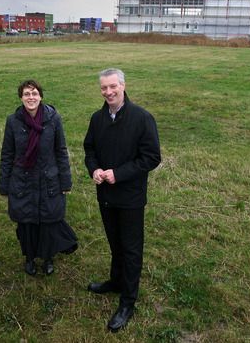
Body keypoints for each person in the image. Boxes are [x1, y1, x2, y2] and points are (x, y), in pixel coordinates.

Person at [83, 68, 161, 332]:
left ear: (123, 86)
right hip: (105, 195)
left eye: (113, 86)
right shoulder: (97, 118)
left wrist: (119, 174)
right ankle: (115, 282)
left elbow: (151, 157)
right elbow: (89, 148)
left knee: (130, 249)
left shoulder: (142, 118)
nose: (108, 92)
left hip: (130, 197)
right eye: (104, 88)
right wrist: (93, 169)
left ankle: (128, 301)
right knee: (114, 242)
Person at [0, 79, 78, 276]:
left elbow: (60, 151)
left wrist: (66, 181)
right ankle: (29, 258)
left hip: (48, 179)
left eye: (34, 93)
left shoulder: (53, 119)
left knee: (48, 221)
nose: (31, 97)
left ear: (41, 96)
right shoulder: (13, 121)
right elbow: (7, 154)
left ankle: (48, 257)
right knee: (27, 223)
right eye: (27, 94)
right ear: (21, 97)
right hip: (22, 181)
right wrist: (4, 184)